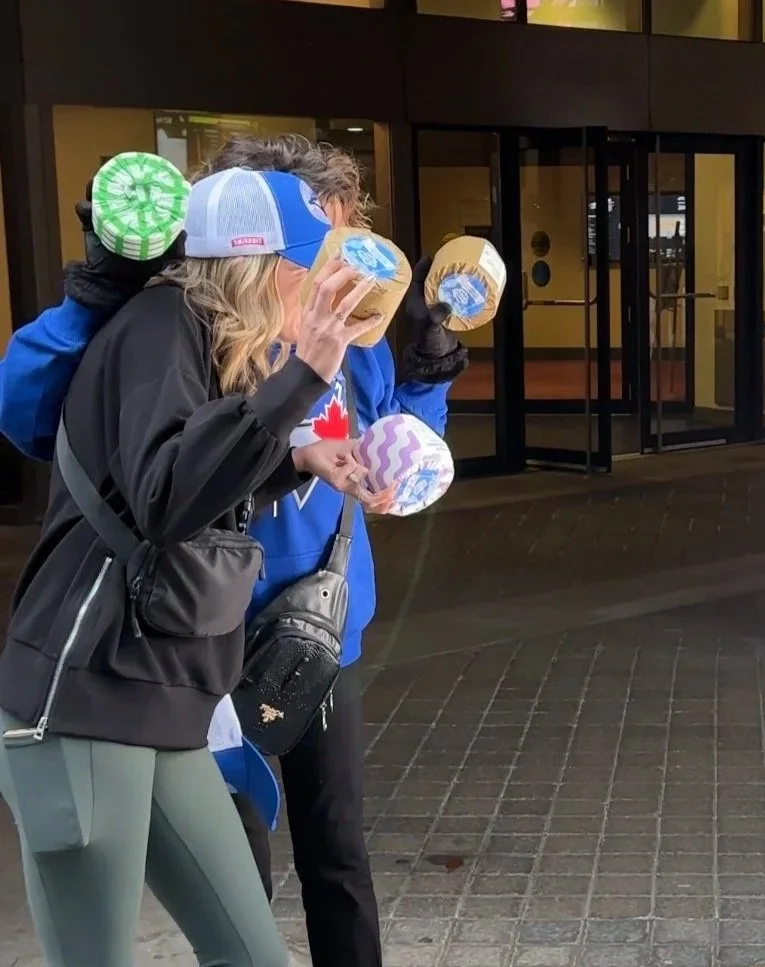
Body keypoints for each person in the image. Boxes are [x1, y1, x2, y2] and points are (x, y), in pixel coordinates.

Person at [0, 135, 468, 967]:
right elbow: (165, 492)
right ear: (260, 261)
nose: (333, 279)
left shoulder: (251, 334)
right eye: (312, 255)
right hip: (104, 690)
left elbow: (226, 476)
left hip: (205, 670)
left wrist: (307, 449)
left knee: (304, 888)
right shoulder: (162, 325)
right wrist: (301, 378)